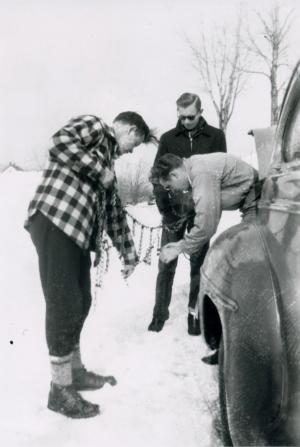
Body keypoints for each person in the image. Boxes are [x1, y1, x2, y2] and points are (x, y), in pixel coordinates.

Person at [24, 112, 153, 418]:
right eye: (134, 143)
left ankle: (75, 372)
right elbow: (59, 142)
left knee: (81, 302)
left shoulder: (109, 170)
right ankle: (59, 390)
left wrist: (129, 254)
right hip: (54, 221)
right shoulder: (96, 127)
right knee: (64, 303)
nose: (130, 151)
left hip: (78, 235)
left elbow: (114, 216)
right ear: (130, 129)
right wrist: (98, 169)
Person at [152, 152, 262, 363]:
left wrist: (180, 247)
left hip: (255, 204)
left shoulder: (201, 172)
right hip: (251, 204)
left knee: (248, 283)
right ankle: (231, 348)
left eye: (169, 185)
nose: (173, 190)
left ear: (175, 174)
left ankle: (241, 354)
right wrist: (183, 243)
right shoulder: (196, 168)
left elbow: (207, 223)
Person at [148, 93, 226, 335]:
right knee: (166, 263)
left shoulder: (216, 136)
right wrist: (166, 212)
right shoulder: (168, 139)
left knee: (199, 266)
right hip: (173, 212)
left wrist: (209, 211)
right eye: (181, 117)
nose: (185, 121)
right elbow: (158, 177)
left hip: (199, 210)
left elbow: (218, 175)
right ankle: (159, 314)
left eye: (190, 117)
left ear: (201, 112)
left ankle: (195, 315)